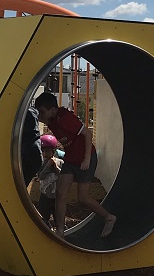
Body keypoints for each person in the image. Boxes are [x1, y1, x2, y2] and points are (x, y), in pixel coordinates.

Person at [33, 90, 116, 240]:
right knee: (60, 193)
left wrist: (86, 160)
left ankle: (109, 217)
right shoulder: (51, 120)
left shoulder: (65, 118)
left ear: (53, 109)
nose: (40, 116)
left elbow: (87, 134)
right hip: (71, 160)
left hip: (85, 158)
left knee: (82, 198)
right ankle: (60, 232)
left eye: (42, 112)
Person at [31, 134, 62, 230]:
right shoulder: (41, 163)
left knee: (59, 217)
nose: (45, 153)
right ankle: (47, 228)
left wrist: (56, 167)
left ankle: (60, 231)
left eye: (48, 151)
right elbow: (41, 177)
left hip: (57, 196)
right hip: (45, 195)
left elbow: (63, 177)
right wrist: (48, 166)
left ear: (53, 151)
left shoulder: (60, 162)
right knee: (43, 217)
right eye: (43, 151)